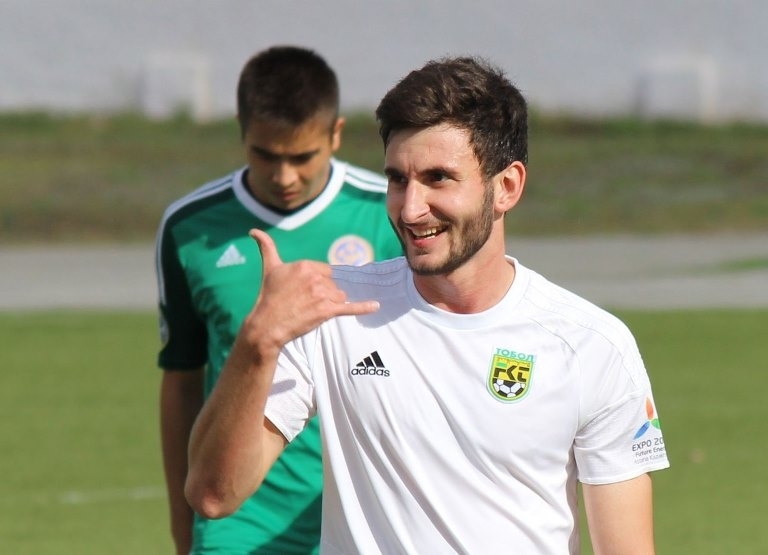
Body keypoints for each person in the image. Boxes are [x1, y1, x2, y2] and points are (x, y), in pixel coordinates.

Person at [185, 56, 670, 554]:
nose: (411, 209)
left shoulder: (592, 345)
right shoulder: (333, 309)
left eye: (438, 178)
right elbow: (214, 495)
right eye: (398, 179)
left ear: (506, 187)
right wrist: (256, 343)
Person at [156, 45, 402, 555]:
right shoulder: (189, 228)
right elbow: (181, 381)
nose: (284, 176)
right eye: (266, 155)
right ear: (242, 132)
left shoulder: (390, 214)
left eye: (302, 157)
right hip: (237, 520)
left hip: (362, 510)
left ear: (335, 133)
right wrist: (184, 527)